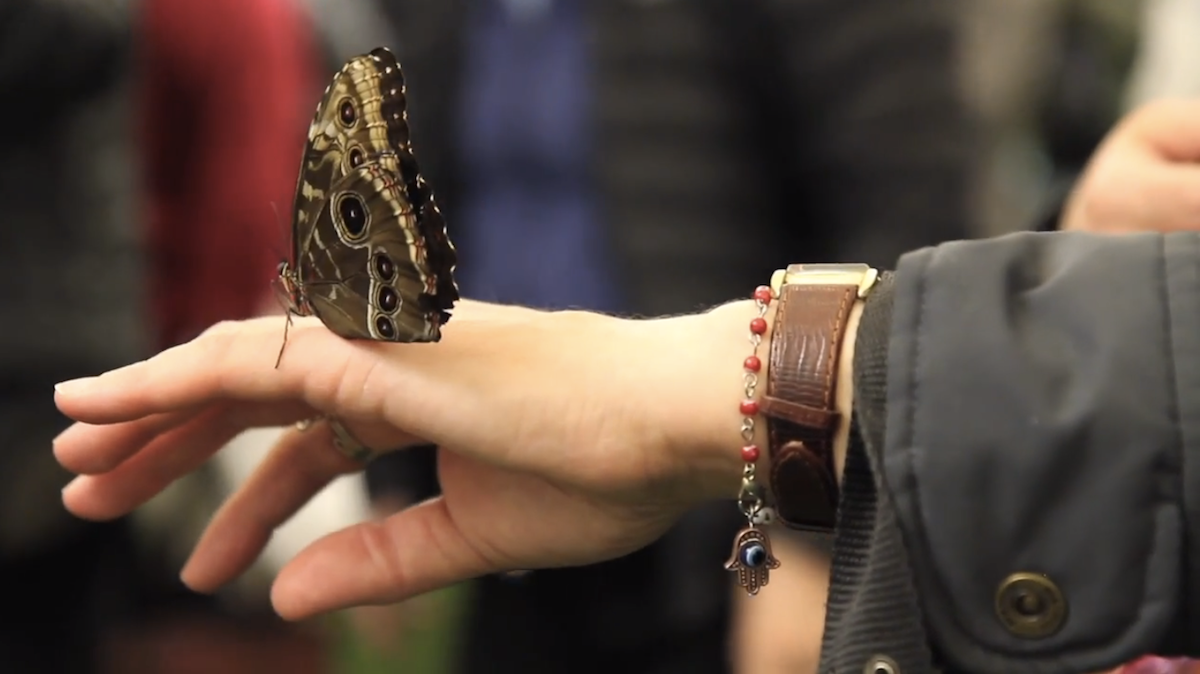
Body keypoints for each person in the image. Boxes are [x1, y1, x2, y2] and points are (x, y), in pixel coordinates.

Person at [50, 98, 1200, 674]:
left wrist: (812, 501)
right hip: (513, 464)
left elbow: (894, 170)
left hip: (743, 500)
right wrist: (1103, 273)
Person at [367, 0, 976, 670]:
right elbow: (423, 187)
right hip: (510, 512)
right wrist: (394, 466)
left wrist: (817, 538)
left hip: (730, 525)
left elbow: (910, 220)